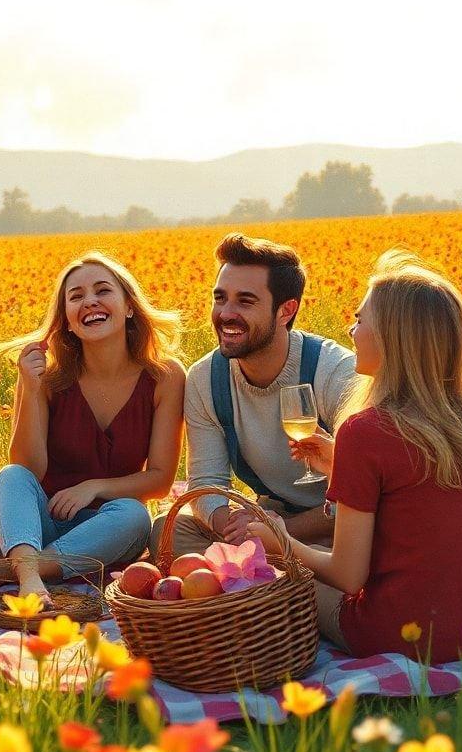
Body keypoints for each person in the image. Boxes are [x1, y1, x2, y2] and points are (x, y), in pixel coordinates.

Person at [247, 250, 462, 664]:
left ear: (394, 339)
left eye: (360, 321)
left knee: (284, 573)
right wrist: (342, 466)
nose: (351, 329)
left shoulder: (365, 431)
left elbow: (348, 576)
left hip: (399, 637)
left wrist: (280, 541)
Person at [0, 253, 185, 600]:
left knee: (135, 515)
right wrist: (32, 388)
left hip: (101, 534)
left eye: (103, 290)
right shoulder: (46, 375)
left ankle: (3, 574)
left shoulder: (165, 376)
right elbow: (29, 468)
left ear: (129, 307)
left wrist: (93, 488)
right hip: (28, 528)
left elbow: (159, 480)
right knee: (10, 476)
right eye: (76, 296)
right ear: (67, 321)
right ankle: (28, 573)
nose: (90, 302)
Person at [150, 233, 355, 559]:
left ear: (286, 311)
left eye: (245, 301)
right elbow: (206, 481)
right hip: (269, 515)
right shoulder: (206, 379)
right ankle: (254, 576)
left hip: (334, 526)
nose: (226, 314)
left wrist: (281, 533)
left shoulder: (334, 372)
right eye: (220, 299)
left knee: (318, 590)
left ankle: (265, 581)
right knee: (168, 530)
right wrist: (234, 525)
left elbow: (363, 493)